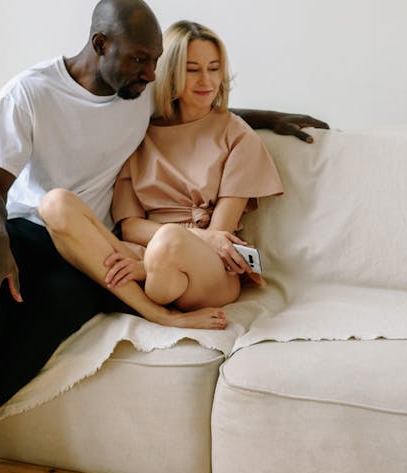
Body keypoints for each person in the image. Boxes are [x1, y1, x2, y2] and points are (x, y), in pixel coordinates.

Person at [0, 0, 326, 473]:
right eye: (141, 61)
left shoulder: (136, 90)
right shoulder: (30, 92)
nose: (151, 74)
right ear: (101, 45)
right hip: (13, 228)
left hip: (82, 244)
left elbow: (198, 111)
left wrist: (269, 119)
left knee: (40, 328)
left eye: (155, 64)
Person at [38, 20, 282, 312]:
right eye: (193, 70)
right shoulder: (140, 132)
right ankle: (153, 305)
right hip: (145, 253)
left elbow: (219, 235)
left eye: (214, 68)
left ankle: (151, 277)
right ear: (171, 72)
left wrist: (149, 264)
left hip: (208, 266)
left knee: (170, 241)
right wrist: (149, 258)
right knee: (57, 202)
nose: (206, 80)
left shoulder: (239, 136)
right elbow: (130, 227)